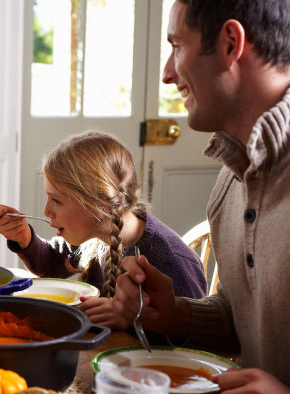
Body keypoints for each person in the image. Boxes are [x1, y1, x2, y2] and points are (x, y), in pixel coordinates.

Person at [113, 0, 290, 392]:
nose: (166, 74)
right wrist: (174, 315)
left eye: (177, 46)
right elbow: (244, 315)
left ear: (230, 44)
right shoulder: (231, 178)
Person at [0, 131, 206, 329]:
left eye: (56, 201)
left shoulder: (170, 261)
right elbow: (52, 264)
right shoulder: (95, 232)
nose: (46, 211)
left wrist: (130, 321)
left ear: (100, 204)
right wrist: (24, 238)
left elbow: (194, 341)